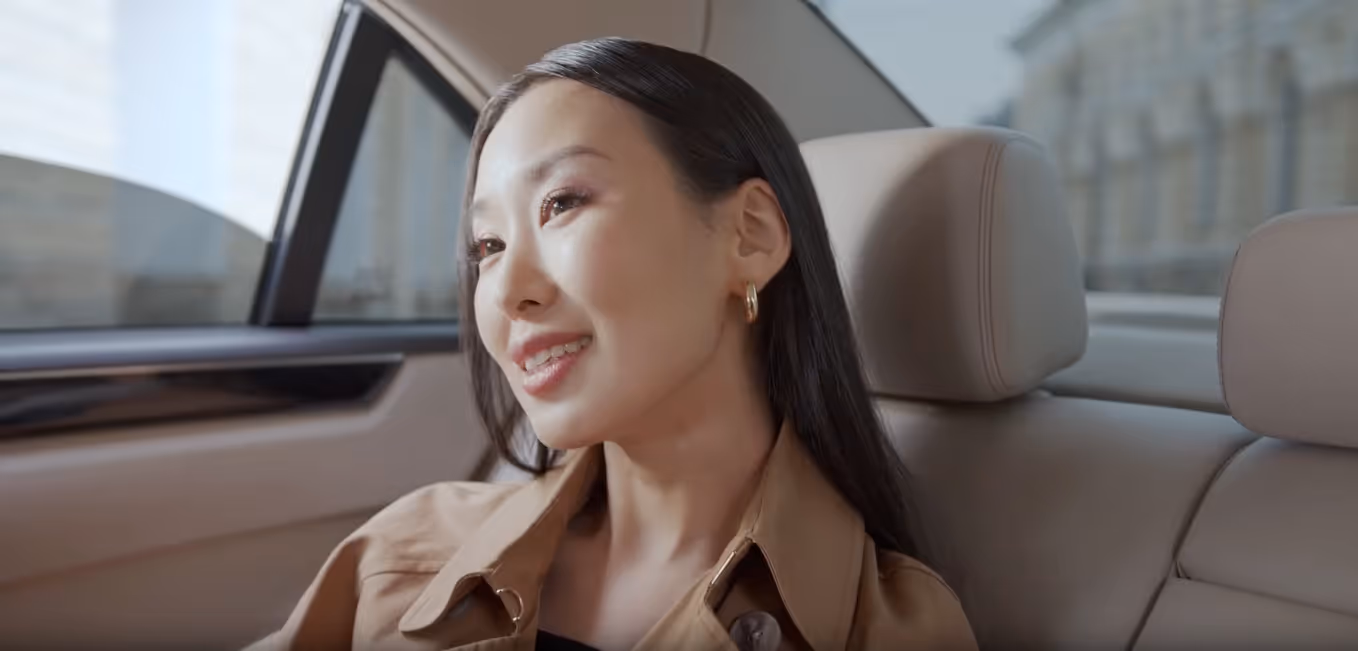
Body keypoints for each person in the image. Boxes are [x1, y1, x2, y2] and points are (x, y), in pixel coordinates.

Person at [249, 37, 976, 651]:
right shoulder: (401, 555)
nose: (506, 291)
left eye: (562, 202)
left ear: (749, 234)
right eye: (489, 244)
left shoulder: (887, 628)